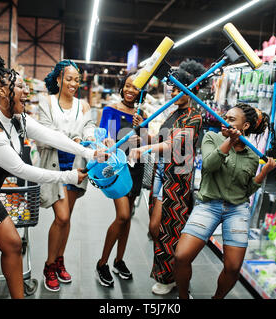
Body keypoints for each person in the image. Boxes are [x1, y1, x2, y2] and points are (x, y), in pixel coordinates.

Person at [0, 55, 107, 299]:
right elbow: (21, 169)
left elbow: (51, 136)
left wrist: (89, 152)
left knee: (13, 245)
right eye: (20, 86)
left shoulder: (17, 119)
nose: (26, 91)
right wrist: (68, 176)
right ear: (2, 91)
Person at [173, 103, 276, 299]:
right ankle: (184, 297)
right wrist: (229, 141)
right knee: (181, 256)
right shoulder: (212, 137)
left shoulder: (252, 154)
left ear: (245, 126)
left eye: (231, 119)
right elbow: (210, 165)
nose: (224, 121)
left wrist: (262, 174)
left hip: (237, 209)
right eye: (224, 117)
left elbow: (246, 191)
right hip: (208, 205)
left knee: (233, 267)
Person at [129, 60, 205, 295]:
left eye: (177, 87)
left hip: (178, 179)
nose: (173, 91)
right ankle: (169, 274)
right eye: (172, 88)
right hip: (161, 173)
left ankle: (174, 275)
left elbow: (172, 144)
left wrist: (145, 147)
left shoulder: (195, 116)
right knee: (157, 229)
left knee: (166, 228)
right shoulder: (173, 112)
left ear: (191, 89)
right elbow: (156, 139)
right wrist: (142, 129)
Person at [38, 59, 96, 292]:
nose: (74, 83)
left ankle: (59, 260)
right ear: (59, 79)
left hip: (75, 167)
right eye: (69, 79)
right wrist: (74, 139)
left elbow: (89, 129)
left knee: (67, 217)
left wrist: (91, 138)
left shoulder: (83, 106)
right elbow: (44, 134)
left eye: (77, 80)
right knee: (61, 217)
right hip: (54, 168)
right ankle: (49, 265)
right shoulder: (47, 102)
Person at [94, 72, 147, 287]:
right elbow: (102, 138)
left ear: (141, 91)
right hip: (118, 168)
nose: (129, 90)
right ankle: (102, 263)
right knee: (123, 215)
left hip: (136, 168)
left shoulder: (141, 114)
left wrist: (142, 129)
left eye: (135, 87)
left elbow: (145, 143)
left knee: (126, 219)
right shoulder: (110, 110)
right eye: (127, 86)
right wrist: (113, 141)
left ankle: (119, 260)